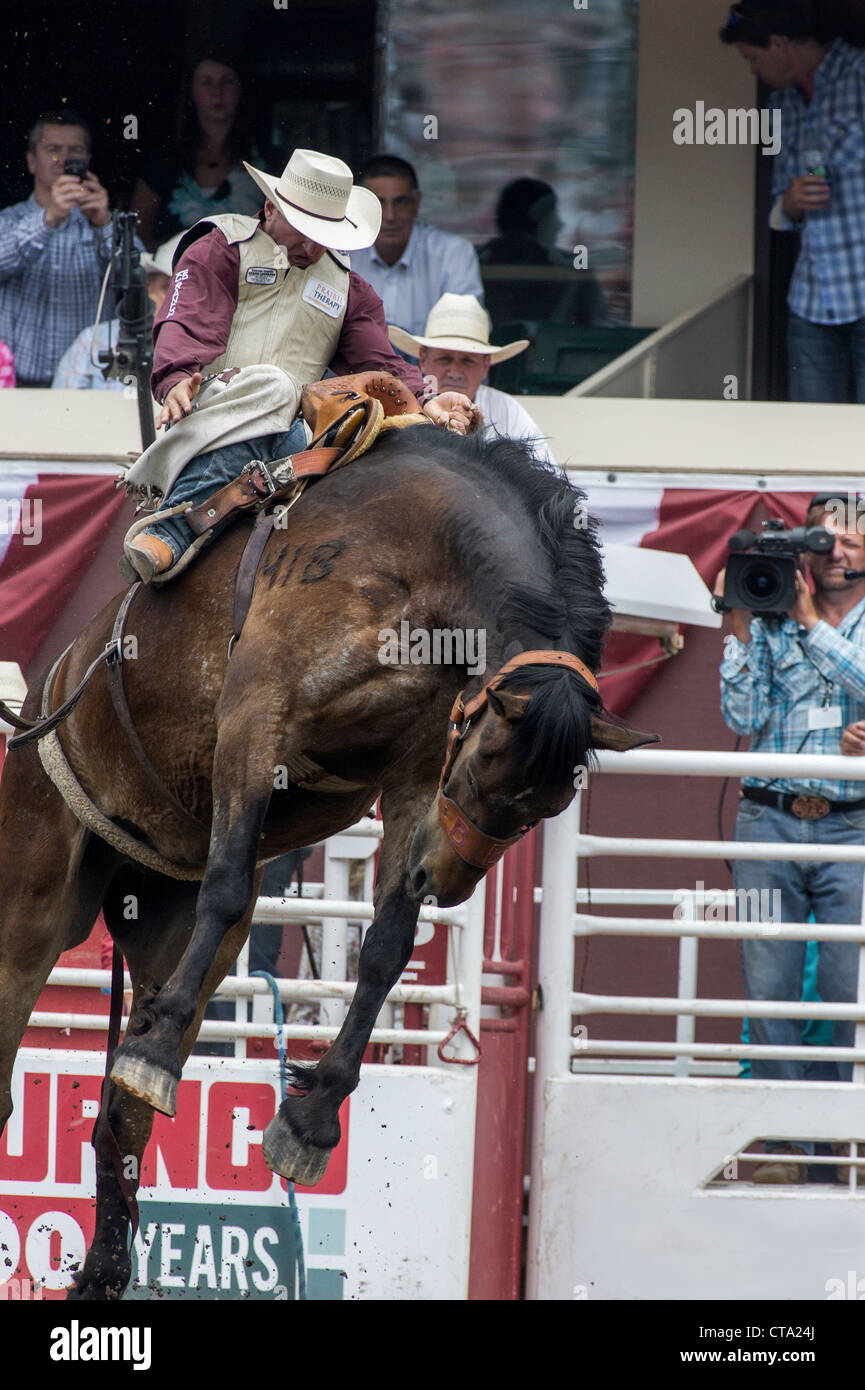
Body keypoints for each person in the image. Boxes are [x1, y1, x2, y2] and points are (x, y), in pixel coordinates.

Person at [121, 148, 479, 583]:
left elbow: (381, 364)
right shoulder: (220, 248)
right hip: (212, 414)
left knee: (346, 431)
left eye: (324, 235)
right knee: (276, 386)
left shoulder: (350, 289)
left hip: (293, 436)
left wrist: (429, 399)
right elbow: (186, 321)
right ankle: (173, 529)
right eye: (304, 230)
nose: (312, 246)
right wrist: (176, 377)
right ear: (270, 207)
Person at [716, 493, 865, 1183]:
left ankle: (830, 1142)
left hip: (851, 823)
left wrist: (808, 624)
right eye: (823, 539)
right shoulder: (770, 605)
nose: (835, 552)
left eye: (849, 539)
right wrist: (742, 623)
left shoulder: (809, 616)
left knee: (842, 991)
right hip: (765, 816)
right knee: (767, 986)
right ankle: (780, 1143)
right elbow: (739, 715)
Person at [720, 1, 865, 402]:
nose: (753, 71)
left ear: (779, 44)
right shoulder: (780, 106)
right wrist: (791, 201)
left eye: (753, 58)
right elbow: (779, 208)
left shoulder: (859, 72)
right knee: (809, 438)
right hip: (813, 299)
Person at [0, 111, 116, 387]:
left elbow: (140, 278)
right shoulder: (8, 219)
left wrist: (105, 223)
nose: (64, 160)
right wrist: (49, 217)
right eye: (53, 150)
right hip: (13, 384)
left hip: (86, 384)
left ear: (87, 161)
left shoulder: (101, 220)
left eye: (74, 151)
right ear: (31, 161)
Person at [130, 55, 280, 250]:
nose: (217, 92)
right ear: (191, 91)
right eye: (206, 82)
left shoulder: (270, 160)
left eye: (227, 81)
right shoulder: (163, 162)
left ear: (241, 88)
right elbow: (137, 238)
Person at [388, 293, 555, 465]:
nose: (455, 372)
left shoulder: (507, 411)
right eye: (444, 359)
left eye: (468, 361)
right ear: (423, 359)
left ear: (485, 366)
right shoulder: (399, 406)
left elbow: (542, 471)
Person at [350, 154, 485, 337]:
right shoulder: (343, 254)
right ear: (361, 206)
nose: (390, 216)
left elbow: (465, 334)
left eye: (401, 202)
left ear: (416, 203)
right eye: (379, 202)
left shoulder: (452, 253)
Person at [51, 236, 179, 390]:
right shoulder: (92, 340)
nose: (176, 300)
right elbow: (63, 407)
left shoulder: (197, 346)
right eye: (168, 288)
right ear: (146, 287)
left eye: (186, 293)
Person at [478, 177, 606, 328]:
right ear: (536, 218)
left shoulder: (473, 265)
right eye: (553, 214)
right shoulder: (575, 269)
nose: (560, 225)